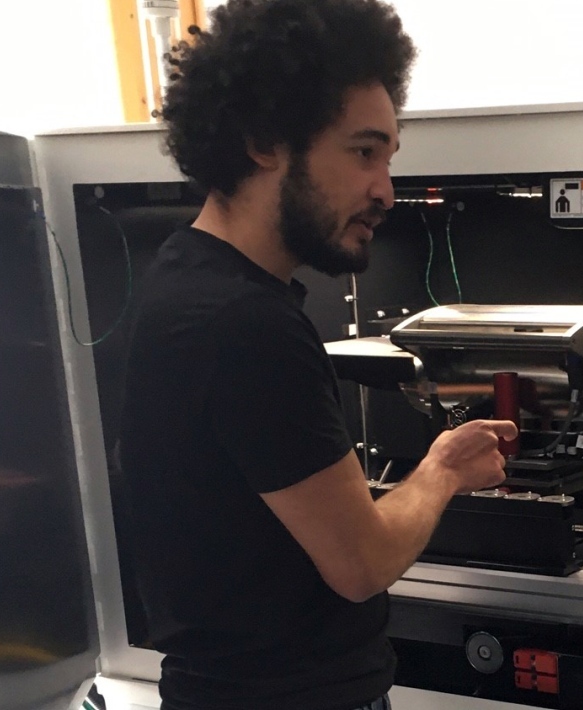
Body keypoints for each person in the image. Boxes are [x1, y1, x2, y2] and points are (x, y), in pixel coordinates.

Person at [116, 2, 514, 709]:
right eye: (364, 152)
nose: (385, 190)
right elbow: (361, 564)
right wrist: (443, 470)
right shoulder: (246, 323)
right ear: (264, 140)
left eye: (389, 159)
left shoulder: (183, 278)